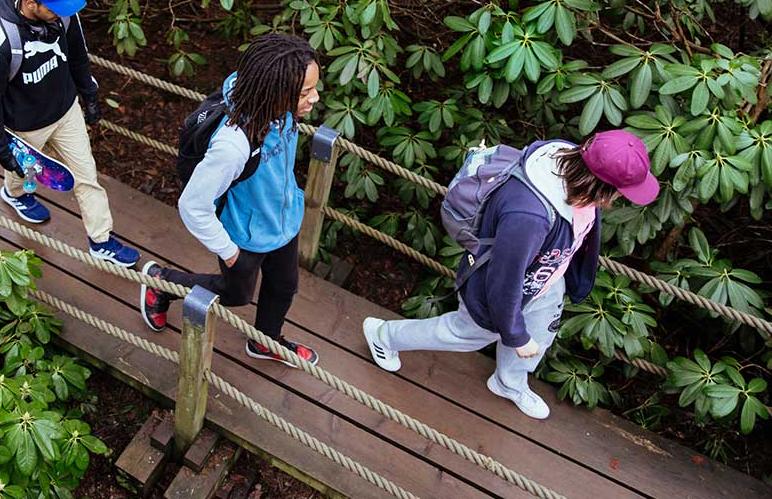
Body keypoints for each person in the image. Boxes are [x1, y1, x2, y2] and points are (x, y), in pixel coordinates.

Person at [363, 130, 659, 419]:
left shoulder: (571, 160)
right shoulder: (529, 215)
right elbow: (503, 282)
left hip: (545, 279)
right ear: (601, 188)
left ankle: (509, 383)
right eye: (620, 193)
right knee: (465, 333)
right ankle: (384, 336)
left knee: (540, 333)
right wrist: (515, 336)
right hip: (500, 288)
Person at [140, 34, 321, 366]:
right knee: (236, 294)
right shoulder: (232, 145)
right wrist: (229, 251)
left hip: (282, 218)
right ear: (276, 91)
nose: (315, 98)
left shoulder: (271, 101)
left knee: (284, 286)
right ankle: (164, 283)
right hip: (245, 232)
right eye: (305, 93)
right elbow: (193, 205)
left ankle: (265, 342)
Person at [0, 0, 139, 268]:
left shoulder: (63, 17)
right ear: (29, 3)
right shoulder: (1, 39)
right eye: (52, 7)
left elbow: (78, 58)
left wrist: (89, 97)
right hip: (24, 125)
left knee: (87, 176)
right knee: (19, 171)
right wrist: (1, 150)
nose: (60, 12)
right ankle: (15, 194)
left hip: (65, 112)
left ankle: (101, 240)